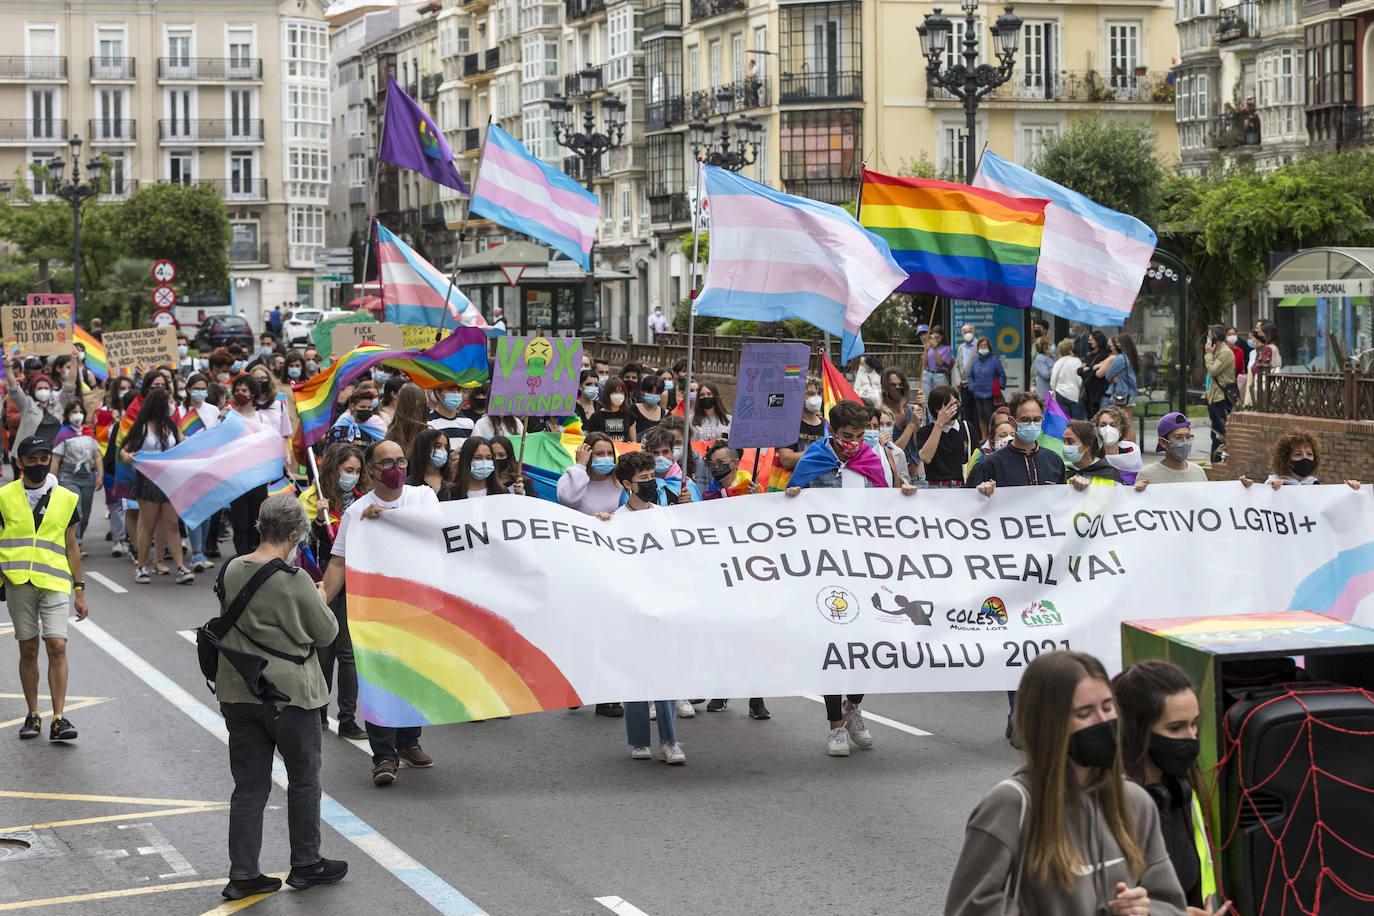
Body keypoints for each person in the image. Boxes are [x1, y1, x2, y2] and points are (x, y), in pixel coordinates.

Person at [943, 651, 1188, 916]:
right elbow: (968, 909)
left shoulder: (1135, 801)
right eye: (1085, 713)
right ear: (1048, 724)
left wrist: (1144, 910)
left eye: (1107, 707)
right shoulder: (1010, 806)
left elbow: (1170, 903)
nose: (1104, 721)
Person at [216, 494, 347, 900]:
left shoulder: (233, 568)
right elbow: (326, 634)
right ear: (294, 534)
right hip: (291, 693)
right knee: (304, 780)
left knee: (249, 787)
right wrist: (320, 598)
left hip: (240, 690)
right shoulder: (295, 581)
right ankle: (306, 863)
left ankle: (243, 874)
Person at [785, 400, 917, 755]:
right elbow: (787, 510)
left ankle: (852, 706)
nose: (854, 442)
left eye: (859, 435)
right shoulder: (815, 459)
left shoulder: (871, 460)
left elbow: (885, 506)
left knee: (869, 645)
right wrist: (792, 497)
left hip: (865, 567)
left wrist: (902, 495)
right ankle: (834, 729)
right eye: (847, 436)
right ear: (832, 431)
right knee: (835, 646)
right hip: (825, 567)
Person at [322, 439, 439, 785]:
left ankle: (409, 742)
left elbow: (432, 528)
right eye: (386, 463)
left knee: (413, 679)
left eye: (400, 461)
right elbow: (338, 562)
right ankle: (384, 756)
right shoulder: (357, 513)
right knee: (380, 681)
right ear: (370, 470)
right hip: (374, 610)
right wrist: (321, 599)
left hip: (418, 606)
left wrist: (387, 519)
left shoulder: (422, 497)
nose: (395, 469)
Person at [593, 451, 688, 763]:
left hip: (665, 605)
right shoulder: (615, 522)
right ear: (626, 484)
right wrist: (602, 528)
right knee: (634, 673)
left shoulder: (667, 516)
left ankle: (670, 740)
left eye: (652, 477)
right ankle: (638, 740)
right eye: (643, 479)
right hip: (631, 608)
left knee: (666, 673)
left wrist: (687, 515)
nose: (650, 483)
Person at [1112, 661, 1228, 916]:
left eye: (1194, 723)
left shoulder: (1180, 792)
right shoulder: (1109, 806)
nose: (1192, 736)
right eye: (1176, 728)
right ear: (1136, 731)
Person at [4, 435, 89, 742]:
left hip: (54, 582)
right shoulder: (4, 497)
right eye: (32, 459)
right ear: (20, 463)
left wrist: (79, 590)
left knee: (57, 645)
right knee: (28, 649)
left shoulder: (66, 498)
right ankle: (32, 714)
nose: (39, 464)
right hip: (18, 583)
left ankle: (59, 718)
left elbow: (71, 547)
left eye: (44, 459)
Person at [298, 443, 370, 741]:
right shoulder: (313, 498)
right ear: (333, 469)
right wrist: (318, 520)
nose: (352, 476)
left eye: (356, 471)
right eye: (347, 470)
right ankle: (319, 711)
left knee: (349, 653)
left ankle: (348, 718)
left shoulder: (364, 500)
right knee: (324, 650)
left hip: (357, 580)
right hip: (326, 578)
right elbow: (306, 544)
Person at [120, 388, 195, 585]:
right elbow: (125, 450)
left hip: (169, 480)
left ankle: (180, 567)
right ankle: (142, 567)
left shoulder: (171, 426)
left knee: (172, 524)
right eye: (169, 401)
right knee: (148, 525)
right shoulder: (142, 427)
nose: (172, 405)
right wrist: (127, 457)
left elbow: (182, 444)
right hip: (148, 482)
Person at [966, 392, 1066, 494]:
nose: (1032, 424)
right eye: (1025, 420)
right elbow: (974, 503)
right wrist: (983, 492)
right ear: (1012, 421)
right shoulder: (992, 464)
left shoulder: (1054, 460)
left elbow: (1063, 501)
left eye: (1037, 419)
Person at [51, 399, 102, 551]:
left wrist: (100, 475)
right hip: (68, 475)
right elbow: (55, 459)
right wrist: (53, 482)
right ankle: (75, 544)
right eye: (74, 412)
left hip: (87, 475)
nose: (77, 415)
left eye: (80, 412)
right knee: (76, 509)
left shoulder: (88, 432)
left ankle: (78, 538)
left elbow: (97, 455)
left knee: (85, 513)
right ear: (68, 415)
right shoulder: (63, 434)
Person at [1239, 429, 1361, 491]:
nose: (1305, 458)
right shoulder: (1273, 485)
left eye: (1309, 454)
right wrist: (1250, 490)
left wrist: (1351, 492)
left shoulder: (1318, 488)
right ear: (1285, 459)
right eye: (1298, 454)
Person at [775, 376, 828, 485]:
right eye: (811, 394)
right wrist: (819, 453)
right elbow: (786, 460)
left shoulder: (827, 426)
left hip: (820, 487)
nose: (817, 398)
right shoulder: (788, 424)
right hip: (791, 488)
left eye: (819, 393)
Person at [918, 385, 973, 488]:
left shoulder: (966, 428)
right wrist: (939, 424)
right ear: (937, 409)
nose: (955, 408)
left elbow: (976, 459)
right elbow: (925, 457)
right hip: (936, 489)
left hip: (962, 487)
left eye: (956, 404)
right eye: (950, 406)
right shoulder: (925, 432)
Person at [1135, 413, 1208, 489]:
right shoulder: (1148, 474)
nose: (1185, 442)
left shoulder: (1198, 472)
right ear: (1163, 443)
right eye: (1178, 437)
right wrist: (1137, 491)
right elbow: (1138, 500)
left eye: (1188, 437)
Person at [557, 432, 623, 515]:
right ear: (587, 455)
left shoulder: (620, 480)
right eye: (600, 454)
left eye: (610, 453)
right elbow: (567, 500)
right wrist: (580, 465)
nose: (606, 457)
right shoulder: (572, 477)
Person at [638, 426, 701, 504]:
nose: (661, 457)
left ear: (672, 452)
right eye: (655, 453)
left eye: (665, 452)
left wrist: (688, 505)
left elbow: (698, 513)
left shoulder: (686, 485)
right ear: (646, 454)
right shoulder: (637, 485)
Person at [1202, 325, 1236, 463]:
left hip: (1222, 398)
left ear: (1216, 337)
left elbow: (1213, 370)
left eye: (1210, 336)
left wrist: (1208, 354)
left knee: (1222, 432)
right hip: (1213, 397)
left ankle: (1224, 461)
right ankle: (1214, 461)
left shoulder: (1225, 352)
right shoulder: (1218, 351)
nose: (1208, 339)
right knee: (1214, 432)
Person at [966, 337, 1007, 441]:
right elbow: (970, 376)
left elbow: (1002, 374)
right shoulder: (975, 361)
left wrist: (1000, 386)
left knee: (991, 417)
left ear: (989, 347)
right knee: (981, 417)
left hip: (991, 394)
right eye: (981, 345)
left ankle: (992, 437)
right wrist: (972, 387)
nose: (983, 347)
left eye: (985, 345)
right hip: (978, 394)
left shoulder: (994, 360)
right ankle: (984, 437)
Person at [881, 368, 922, 470]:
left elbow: (918, 446)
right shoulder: (882, 416)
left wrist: (918, 421)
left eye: (900, 384)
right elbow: (894, 451)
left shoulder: (913, 410)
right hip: (897, 477)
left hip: (918, 477)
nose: (898, 388)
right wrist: (911, 424)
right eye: (893, 385)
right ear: (884, 389)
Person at [1061, 421, 1122, 486]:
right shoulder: (1060, 470)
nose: (1065, 445)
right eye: (1064, 441)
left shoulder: (1110, 474)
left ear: (1088, 444)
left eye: (1070, 441)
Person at [1095, 406, 1143, 486]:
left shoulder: (1133, 456)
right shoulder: (1091, 457)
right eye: (1103, 425)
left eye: (1113, 425)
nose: (1108, 429)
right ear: (1096, 430)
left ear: (1121, 431)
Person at [1097, 334, 1141, 420]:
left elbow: (1108, 375)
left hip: (1121, 393)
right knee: (1129, 422)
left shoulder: (1121, 358)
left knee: (1120, 422)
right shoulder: (1131, 357)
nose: (1116, 345)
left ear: (1123, 343)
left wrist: (1114, 378)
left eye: (1117, 342)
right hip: (1130, 393)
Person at [584, 378, 638, 443]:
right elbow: (588, 440)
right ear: (607, 394)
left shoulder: (630, 416)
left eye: (621, 392)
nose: (619, 395)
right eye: (615, 392)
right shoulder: (596, 417)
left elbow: (634, 441)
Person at [870, 405, 912, 486]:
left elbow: (906, 480)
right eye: (881, 424)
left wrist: (897, 477)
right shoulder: (867, 448)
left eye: (889, 424)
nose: (885, 428)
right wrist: (878, 446)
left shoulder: (898, 452)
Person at [386, 384, 431, 458]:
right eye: (424, 403)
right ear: (417, 404)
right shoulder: (426, 433)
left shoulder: (391, 431)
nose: (427, 405)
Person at [407, 428, 453, 500]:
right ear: (423, 449)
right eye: (438, 446)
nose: (444, 451)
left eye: (446, 447)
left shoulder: (452, 480)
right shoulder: (409, 485)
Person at [1077, 331, 1111, 418]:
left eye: (1091, 340)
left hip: (1098, 392)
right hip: (1088, 392)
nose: (1089, 342)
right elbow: (1079, 371)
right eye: (1089, 340)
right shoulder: (1089, 355)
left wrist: (1088, 369)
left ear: (1098, 341)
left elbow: (1094, 373)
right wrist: (1088, 369)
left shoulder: (1103, 356)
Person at [1050, 338, 1085, 420]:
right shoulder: (1076, 361)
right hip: (1074, 394)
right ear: (1071, 350)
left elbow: (1053, 381)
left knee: (1064, 421)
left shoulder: (1057, 363)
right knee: (1077, 423)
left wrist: (1054, 393)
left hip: (1060, 394)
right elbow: (1079, 380)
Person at [922, 328, 954, 419]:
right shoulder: (929, 347)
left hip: (939, 375)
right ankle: (928, 420)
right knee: (926, 400)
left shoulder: (947, 349)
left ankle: (939, 419)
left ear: (942, 337)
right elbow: (924, 364)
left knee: (940, 399)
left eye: (938, 337)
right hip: (927, 374)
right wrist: (927, 350)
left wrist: (935, 349)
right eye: (933, 337)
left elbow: (940, 363)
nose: (935, 339)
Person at [1032, 336, 1056, 401]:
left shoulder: (1053, 356)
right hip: (1044, 394)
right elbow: (1045, 374)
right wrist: (1056, 368)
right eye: (1049, 344)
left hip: (1053, 391)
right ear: (1044, 346)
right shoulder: (1040, 358)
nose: (1051, 346)